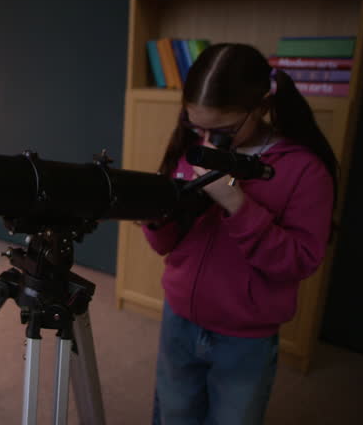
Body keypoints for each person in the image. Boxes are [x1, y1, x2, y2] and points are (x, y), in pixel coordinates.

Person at [141, 43, 337, 425]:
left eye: (223, 131)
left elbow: (299, 260)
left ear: (262, 105)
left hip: (246, 335)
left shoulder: (303, 172)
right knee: (174, 409)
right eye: (195, 126)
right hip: (180, 317)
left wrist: (238, 204)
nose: (207, 141)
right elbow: (166, 244)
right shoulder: (192, 148)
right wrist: (157, 216)